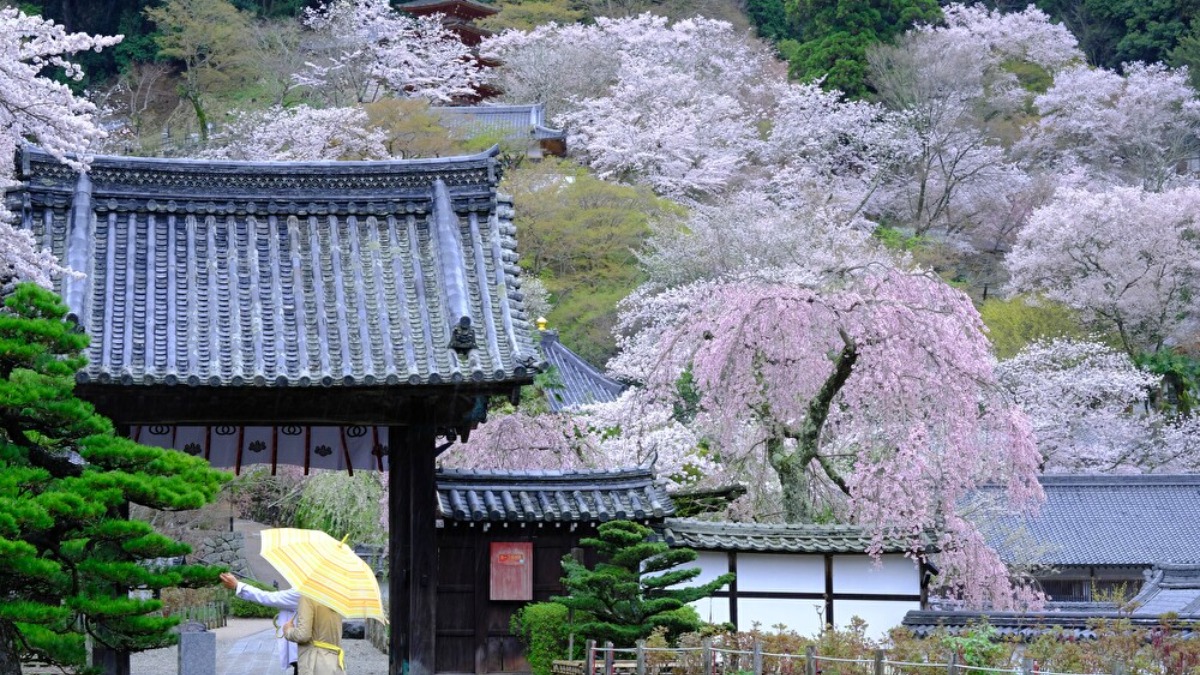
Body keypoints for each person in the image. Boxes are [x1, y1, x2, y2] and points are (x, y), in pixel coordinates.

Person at [219, 572, 301, 674]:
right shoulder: (321, 591)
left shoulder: (303, 593)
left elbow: (268, 597)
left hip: (306, 655)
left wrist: (238, 585)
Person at [283, 595, 346, 675]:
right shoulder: (336, 598)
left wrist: (288, 631)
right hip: (335, 662)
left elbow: (303, 635)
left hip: (315, 662)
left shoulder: (308, 596)